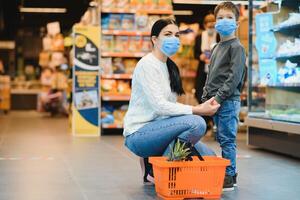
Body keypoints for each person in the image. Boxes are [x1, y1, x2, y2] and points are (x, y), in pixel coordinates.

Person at [123, 18, 220, 185]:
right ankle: (162, 170)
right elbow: (160, 106)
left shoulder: (170, 67)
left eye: (176, 35)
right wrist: (198, 109)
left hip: (161, 130)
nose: (173, 39)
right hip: (139, 134)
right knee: (197, 124)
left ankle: (151, 165)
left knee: (210, 158)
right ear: (154, 39)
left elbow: (171, 107)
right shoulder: (147, 64)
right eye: (167, 34)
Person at [201, 2, 246, 191]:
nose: (223, 21)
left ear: (236, 23)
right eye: (220, 17)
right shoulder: (217, 46)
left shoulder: (237, 47)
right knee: (220, 137)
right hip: (215, 100)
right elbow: (212, 73)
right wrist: (206, 95)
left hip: (227, 101)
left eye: (229, 17)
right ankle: (223, 171)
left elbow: (234, 78)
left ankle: (230, 175)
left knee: (227, 139)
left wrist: (218, 98)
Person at [194, 14, 219, 133]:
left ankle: (213, 123)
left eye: (213, 22)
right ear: (204, 24)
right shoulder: (199, 37)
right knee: (200, 94)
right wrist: (201, 56)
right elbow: (195, 53)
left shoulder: (219, 36)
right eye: (208, 22)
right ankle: (205, 121)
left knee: (214, 96)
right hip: (202, 72)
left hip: (215, 73)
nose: (210, 24)